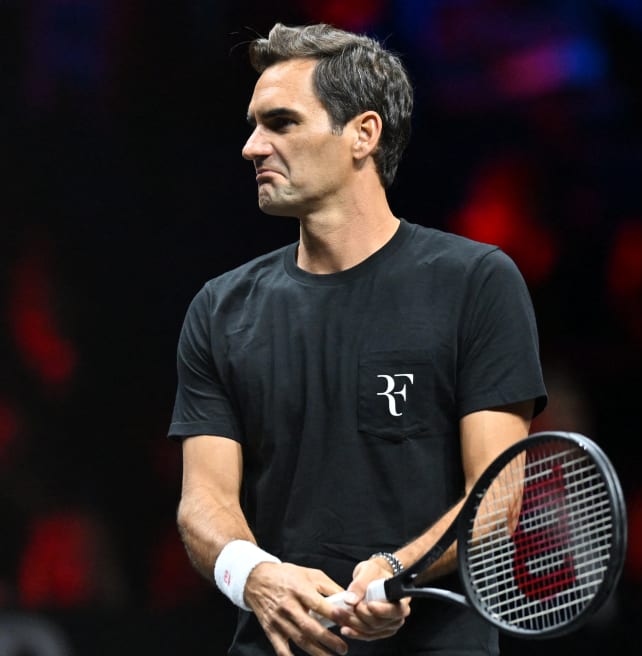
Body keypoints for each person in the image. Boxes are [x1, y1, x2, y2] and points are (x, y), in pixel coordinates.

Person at [169, 22, 547, 656]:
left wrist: (397, 571)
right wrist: (258, 576)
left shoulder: (476, 282)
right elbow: (201, 504)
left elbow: (498, 497)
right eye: (253, 124)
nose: (251, 147)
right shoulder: (219, 308)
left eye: (281, 122)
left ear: (362, 135)